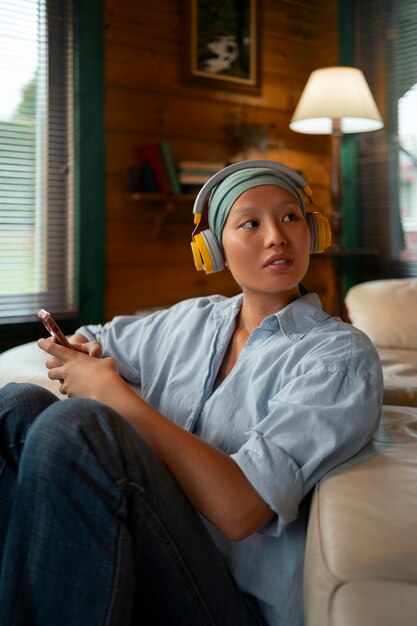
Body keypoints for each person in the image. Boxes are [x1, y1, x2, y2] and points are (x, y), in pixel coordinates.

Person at [0, 161, 383, 626]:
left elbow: (243, 510)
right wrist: (82, 349)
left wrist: (114, 395)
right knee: (18, 405)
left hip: (223, 603)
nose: (276, 237)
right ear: (213, 249)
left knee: (76, 425)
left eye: (290, 217)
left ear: (314, 231)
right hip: (143, 549)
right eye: (250, 223)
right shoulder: (192, 320)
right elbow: (93, 335)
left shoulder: (338, 356)